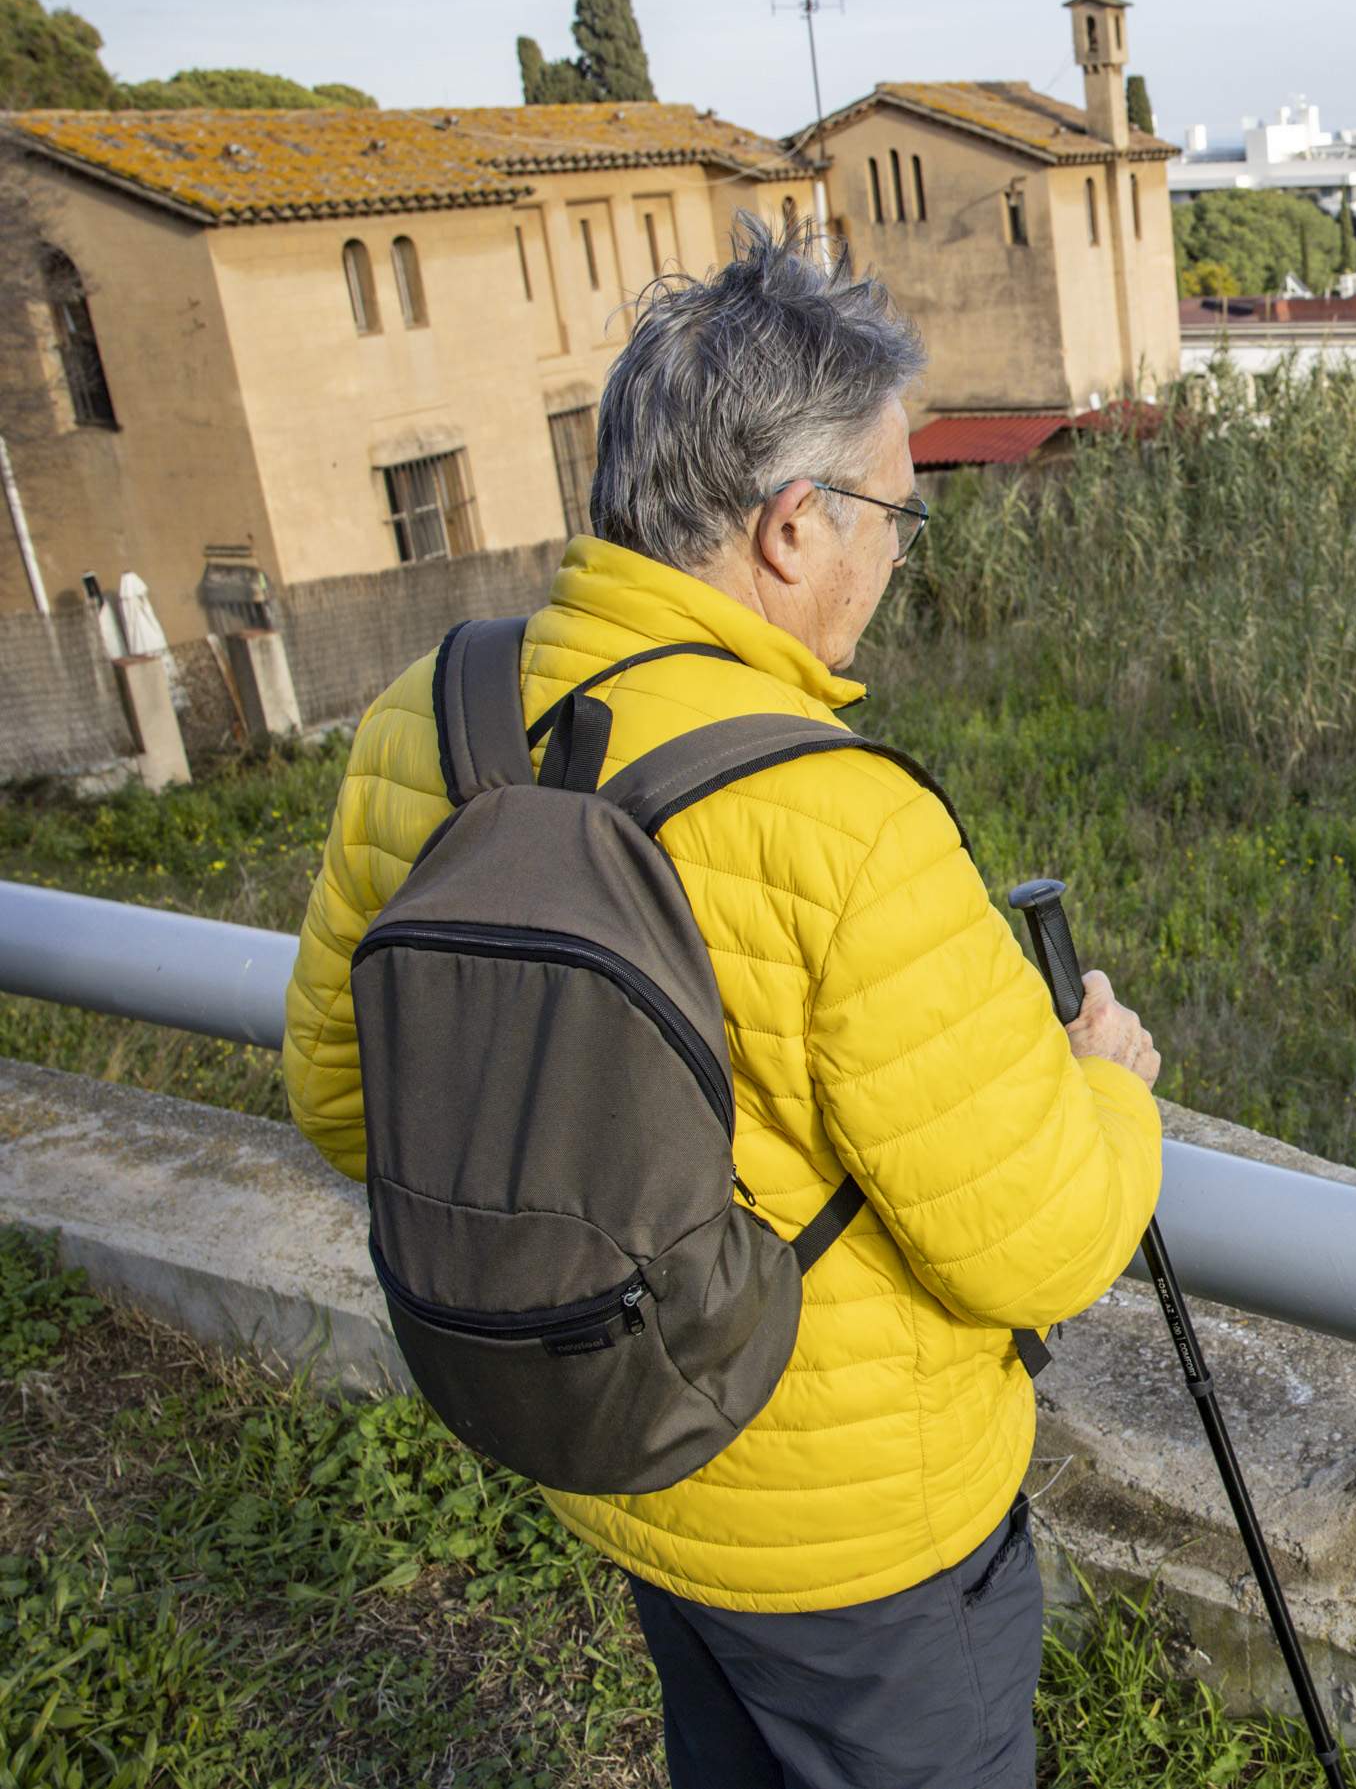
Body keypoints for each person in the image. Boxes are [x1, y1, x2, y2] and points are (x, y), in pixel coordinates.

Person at [281, 222, 1164, 1788]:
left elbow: (347, 1102)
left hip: (616, 1454)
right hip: (858, 1535)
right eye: (894, 511)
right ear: (790, 526)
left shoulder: (429, 718)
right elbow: (1036, 1236)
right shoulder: (847, 822)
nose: (900, 552)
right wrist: (1103, 1080)